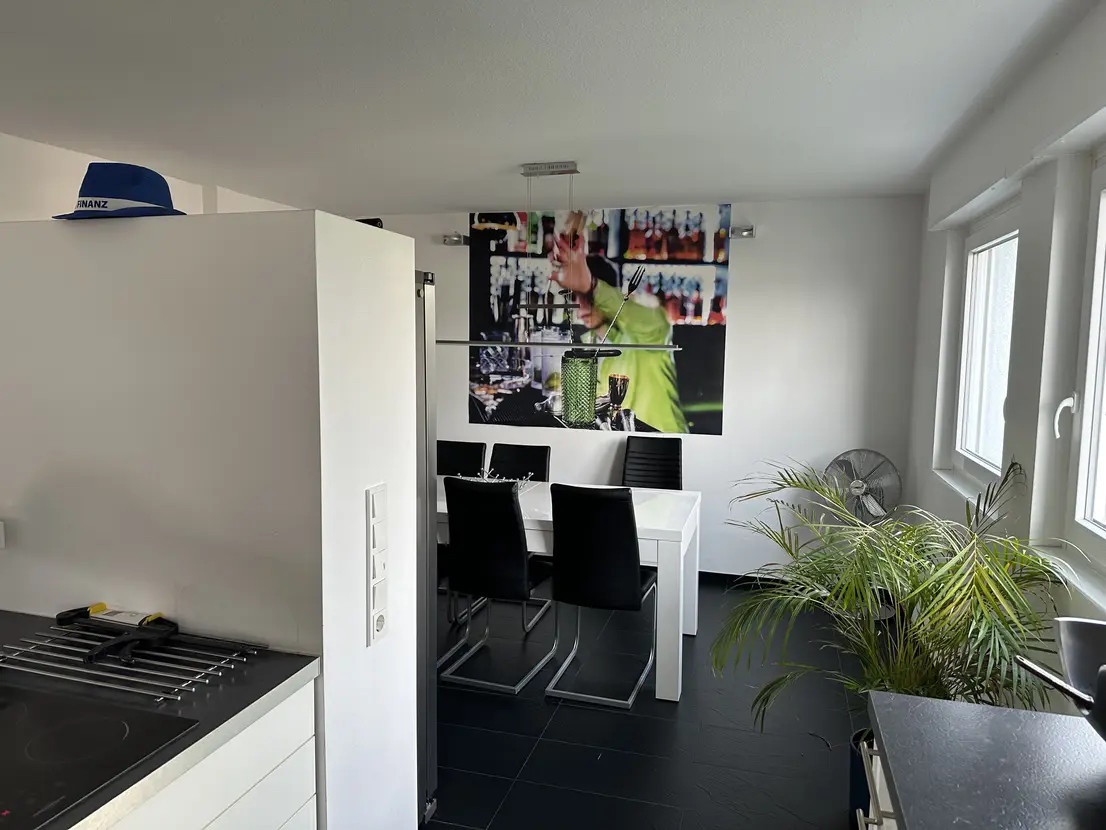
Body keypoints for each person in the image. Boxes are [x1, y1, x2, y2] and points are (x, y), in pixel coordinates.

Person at [550, 234, 688, 433]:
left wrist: (590, 285)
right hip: (621, 439)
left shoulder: (647, 334)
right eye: (575, 297)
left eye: (587, 297)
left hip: (663, 440)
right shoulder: (590, 344)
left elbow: (655, 320)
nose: (580, 306)